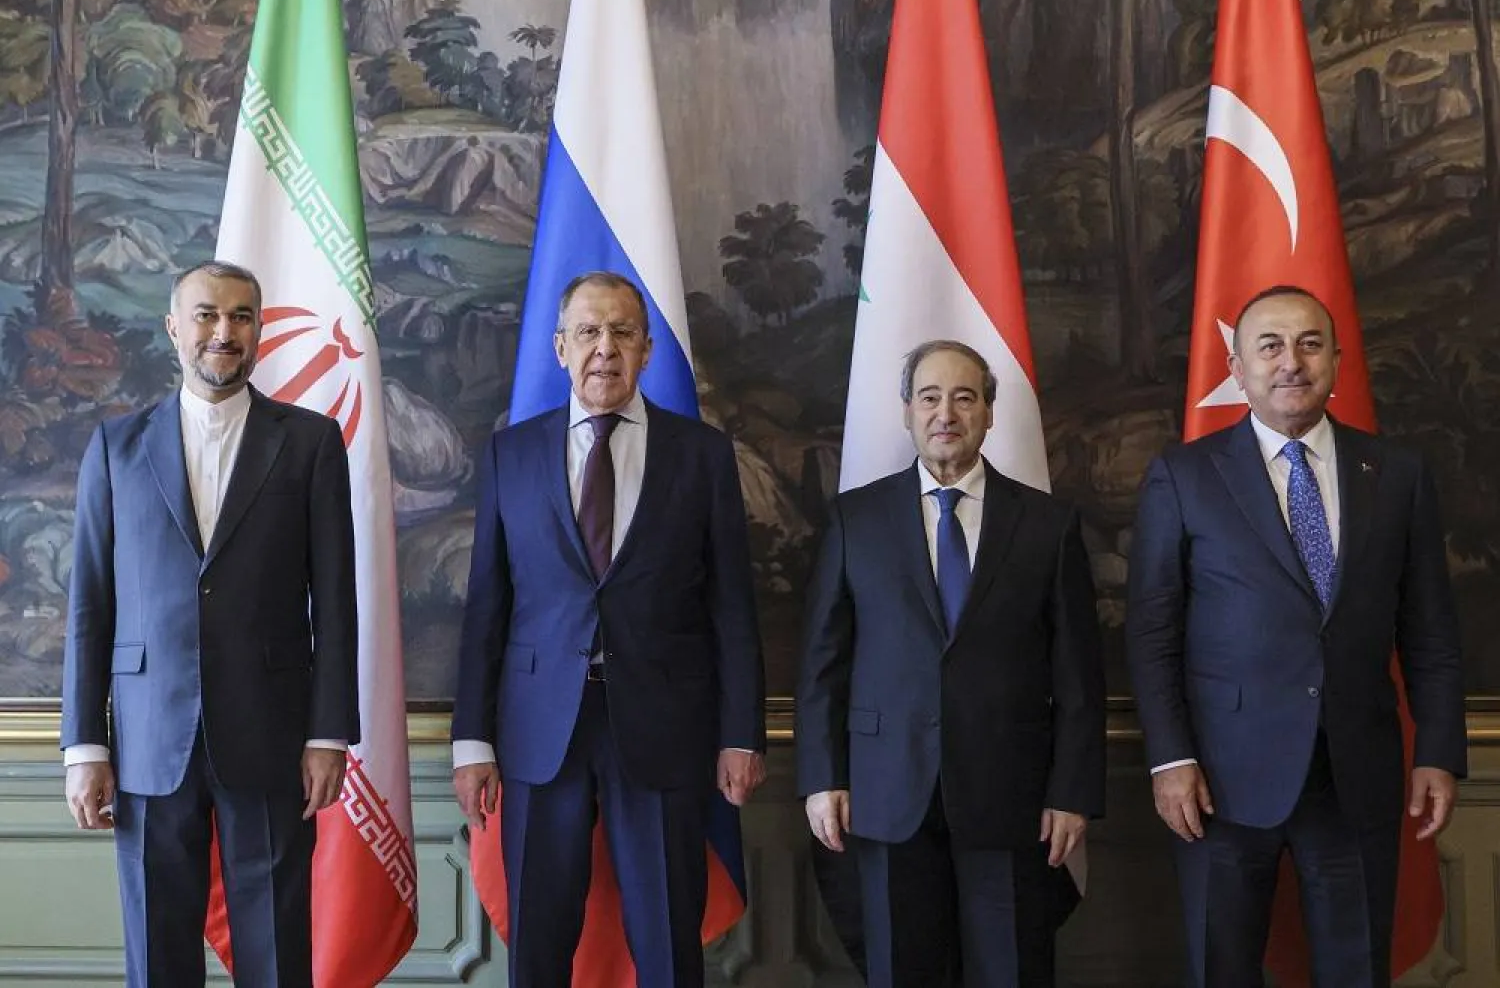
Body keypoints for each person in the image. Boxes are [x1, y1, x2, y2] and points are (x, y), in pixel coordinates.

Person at [1126, 286, 1467, 986]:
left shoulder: (1397, 476)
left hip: (1355, 773)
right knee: (1222, 966)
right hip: (1219, 780)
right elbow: (1154, 631)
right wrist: (1169, 758)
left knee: (1356, 967)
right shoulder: (1185, 475)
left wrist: (1437, 749)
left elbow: (1430, 629)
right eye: (1270, 345)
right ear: (1237, 364)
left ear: (1338, 359)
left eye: (1310, 343)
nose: (1291, 362)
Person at [450, 270, 766, 987]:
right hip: (538, 731)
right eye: (588, 332)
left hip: (663, 725)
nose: (605, 348)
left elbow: (732, 607)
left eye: (623, 332)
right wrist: (473, 738)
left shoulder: (703, 455)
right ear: (560, 348)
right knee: (539, 945)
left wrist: (742, 732)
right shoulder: (511, 453)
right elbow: (487, 606)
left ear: (648, 350)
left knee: (666, 943)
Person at [60, 260, 360, 988]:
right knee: (158, 954)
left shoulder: (311, 443)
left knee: (277, 952)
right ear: (174, 327)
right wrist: (83, 744)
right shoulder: (115, 447)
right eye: (206, 315)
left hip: (272, 734)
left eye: (240, 316)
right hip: (147, 739)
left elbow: (339, 601)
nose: (223, 332)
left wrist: (327, 734)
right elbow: (90, 604)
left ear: (258, 329)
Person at [797, 339, 1105, 987]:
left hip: (1011, 795)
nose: (947, 412)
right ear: (907, 410)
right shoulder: (857, 518)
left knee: (1011, 970)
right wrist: (822, 775)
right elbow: (825, 661)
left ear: (989, 413)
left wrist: (1072, 790)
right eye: (931, 397)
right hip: (886, 791)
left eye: (965, 397)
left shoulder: (1047, 524)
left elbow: (1078, 674)